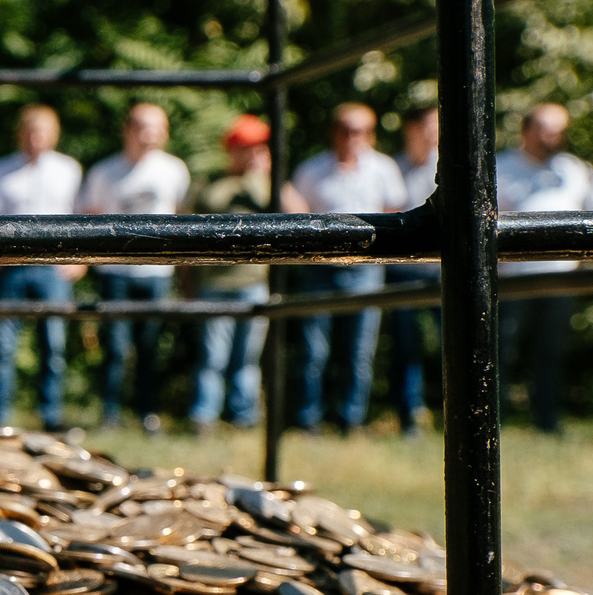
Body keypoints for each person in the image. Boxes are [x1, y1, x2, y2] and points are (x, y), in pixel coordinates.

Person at [280, 102, 404, 433]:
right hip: (319, 267)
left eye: (360, 131)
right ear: (333, 133)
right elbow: (296, 214)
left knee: (359, 351)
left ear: (371, 134)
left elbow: (395, 213)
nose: (353, 138)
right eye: (346, 130)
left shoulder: (383, 168)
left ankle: (351, 419)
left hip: (365, 268)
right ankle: (308, 419)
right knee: (312, 350)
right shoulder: (312, 169)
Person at [493, 102, 593, 434]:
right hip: (512, 280)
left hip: (561, 278)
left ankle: (546, 420)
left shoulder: (575, 169)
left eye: (560, 131)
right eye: (548, 129)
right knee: (501, 351)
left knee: (550, 351)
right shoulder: (500, 167)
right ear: (526, 130)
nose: (555, 137)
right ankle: (493, 419)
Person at [77, 102, 191, 432]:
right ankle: (110, 414)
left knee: (149, 347)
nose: (152, 135)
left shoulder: (174, 170)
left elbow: (183, 219)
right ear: (127, 130)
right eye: (144, 127)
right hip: (115, 271)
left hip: (156, 272)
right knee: (115, 346)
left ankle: (147, 412)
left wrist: (183, 268)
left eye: (158, 128)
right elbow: (90, 218)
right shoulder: (104, 172)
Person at [0, 104, 80, 430]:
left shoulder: (69, 170)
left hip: (53, 268)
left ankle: (51, 415)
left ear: (54, 135)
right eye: (30, 131)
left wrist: (81, 260)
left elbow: (81, 215)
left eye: (42, 132)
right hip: (10, 267)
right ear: (20, 133)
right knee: (3, 346)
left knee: (53, 345)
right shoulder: (1, 170)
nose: (35, 138)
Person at [188, 115, 277, 432]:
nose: (253, 153)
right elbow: (186, 228)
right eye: (247, 147)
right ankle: (204, 417)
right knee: (212, 357)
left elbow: (299, 212)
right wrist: (187, 282)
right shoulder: (209, 184)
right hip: (214, 285)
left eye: (259, 147)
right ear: (231, 150)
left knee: (248, 359)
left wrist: (265, 177)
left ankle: (244, 418)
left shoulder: (269, 184)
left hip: (254, 284)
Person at [382, 107, 441, 436]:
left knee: (457, 340)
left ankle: (455, 410)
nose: (435, 131)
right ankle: (409, 416)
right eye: (428, 125)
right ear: (410, 129)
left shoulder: (446, 165)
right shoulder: (392, 168)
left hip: (443, 269)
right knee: (406, 346)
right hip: (403, 270)